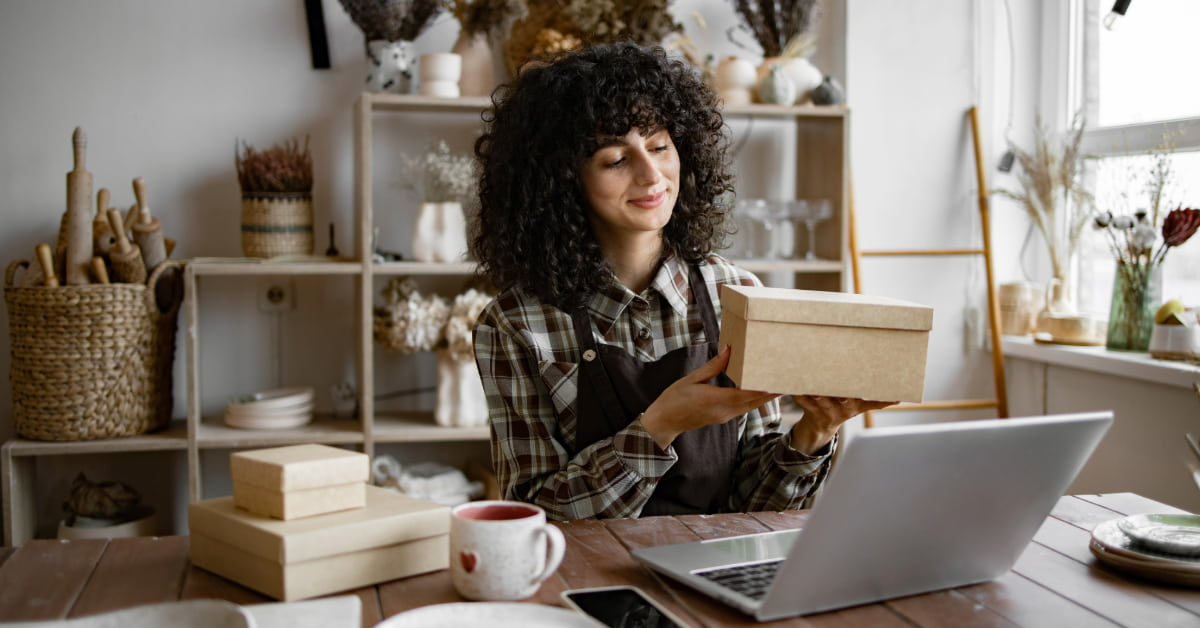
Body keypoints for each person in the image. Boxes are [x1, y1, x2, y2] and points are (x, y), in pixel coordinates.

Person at [470, 42, 893, 521]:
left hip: (717, 572)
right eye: (615, 160)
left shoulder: (735, 291)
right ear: (563, 180)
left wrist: (813, 433)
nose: (652, 176)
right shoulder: (514, 325)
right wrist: (660, 426)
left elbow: (755, 508)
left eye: (659, 147)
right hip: (591, 585)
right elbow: (532, 514)